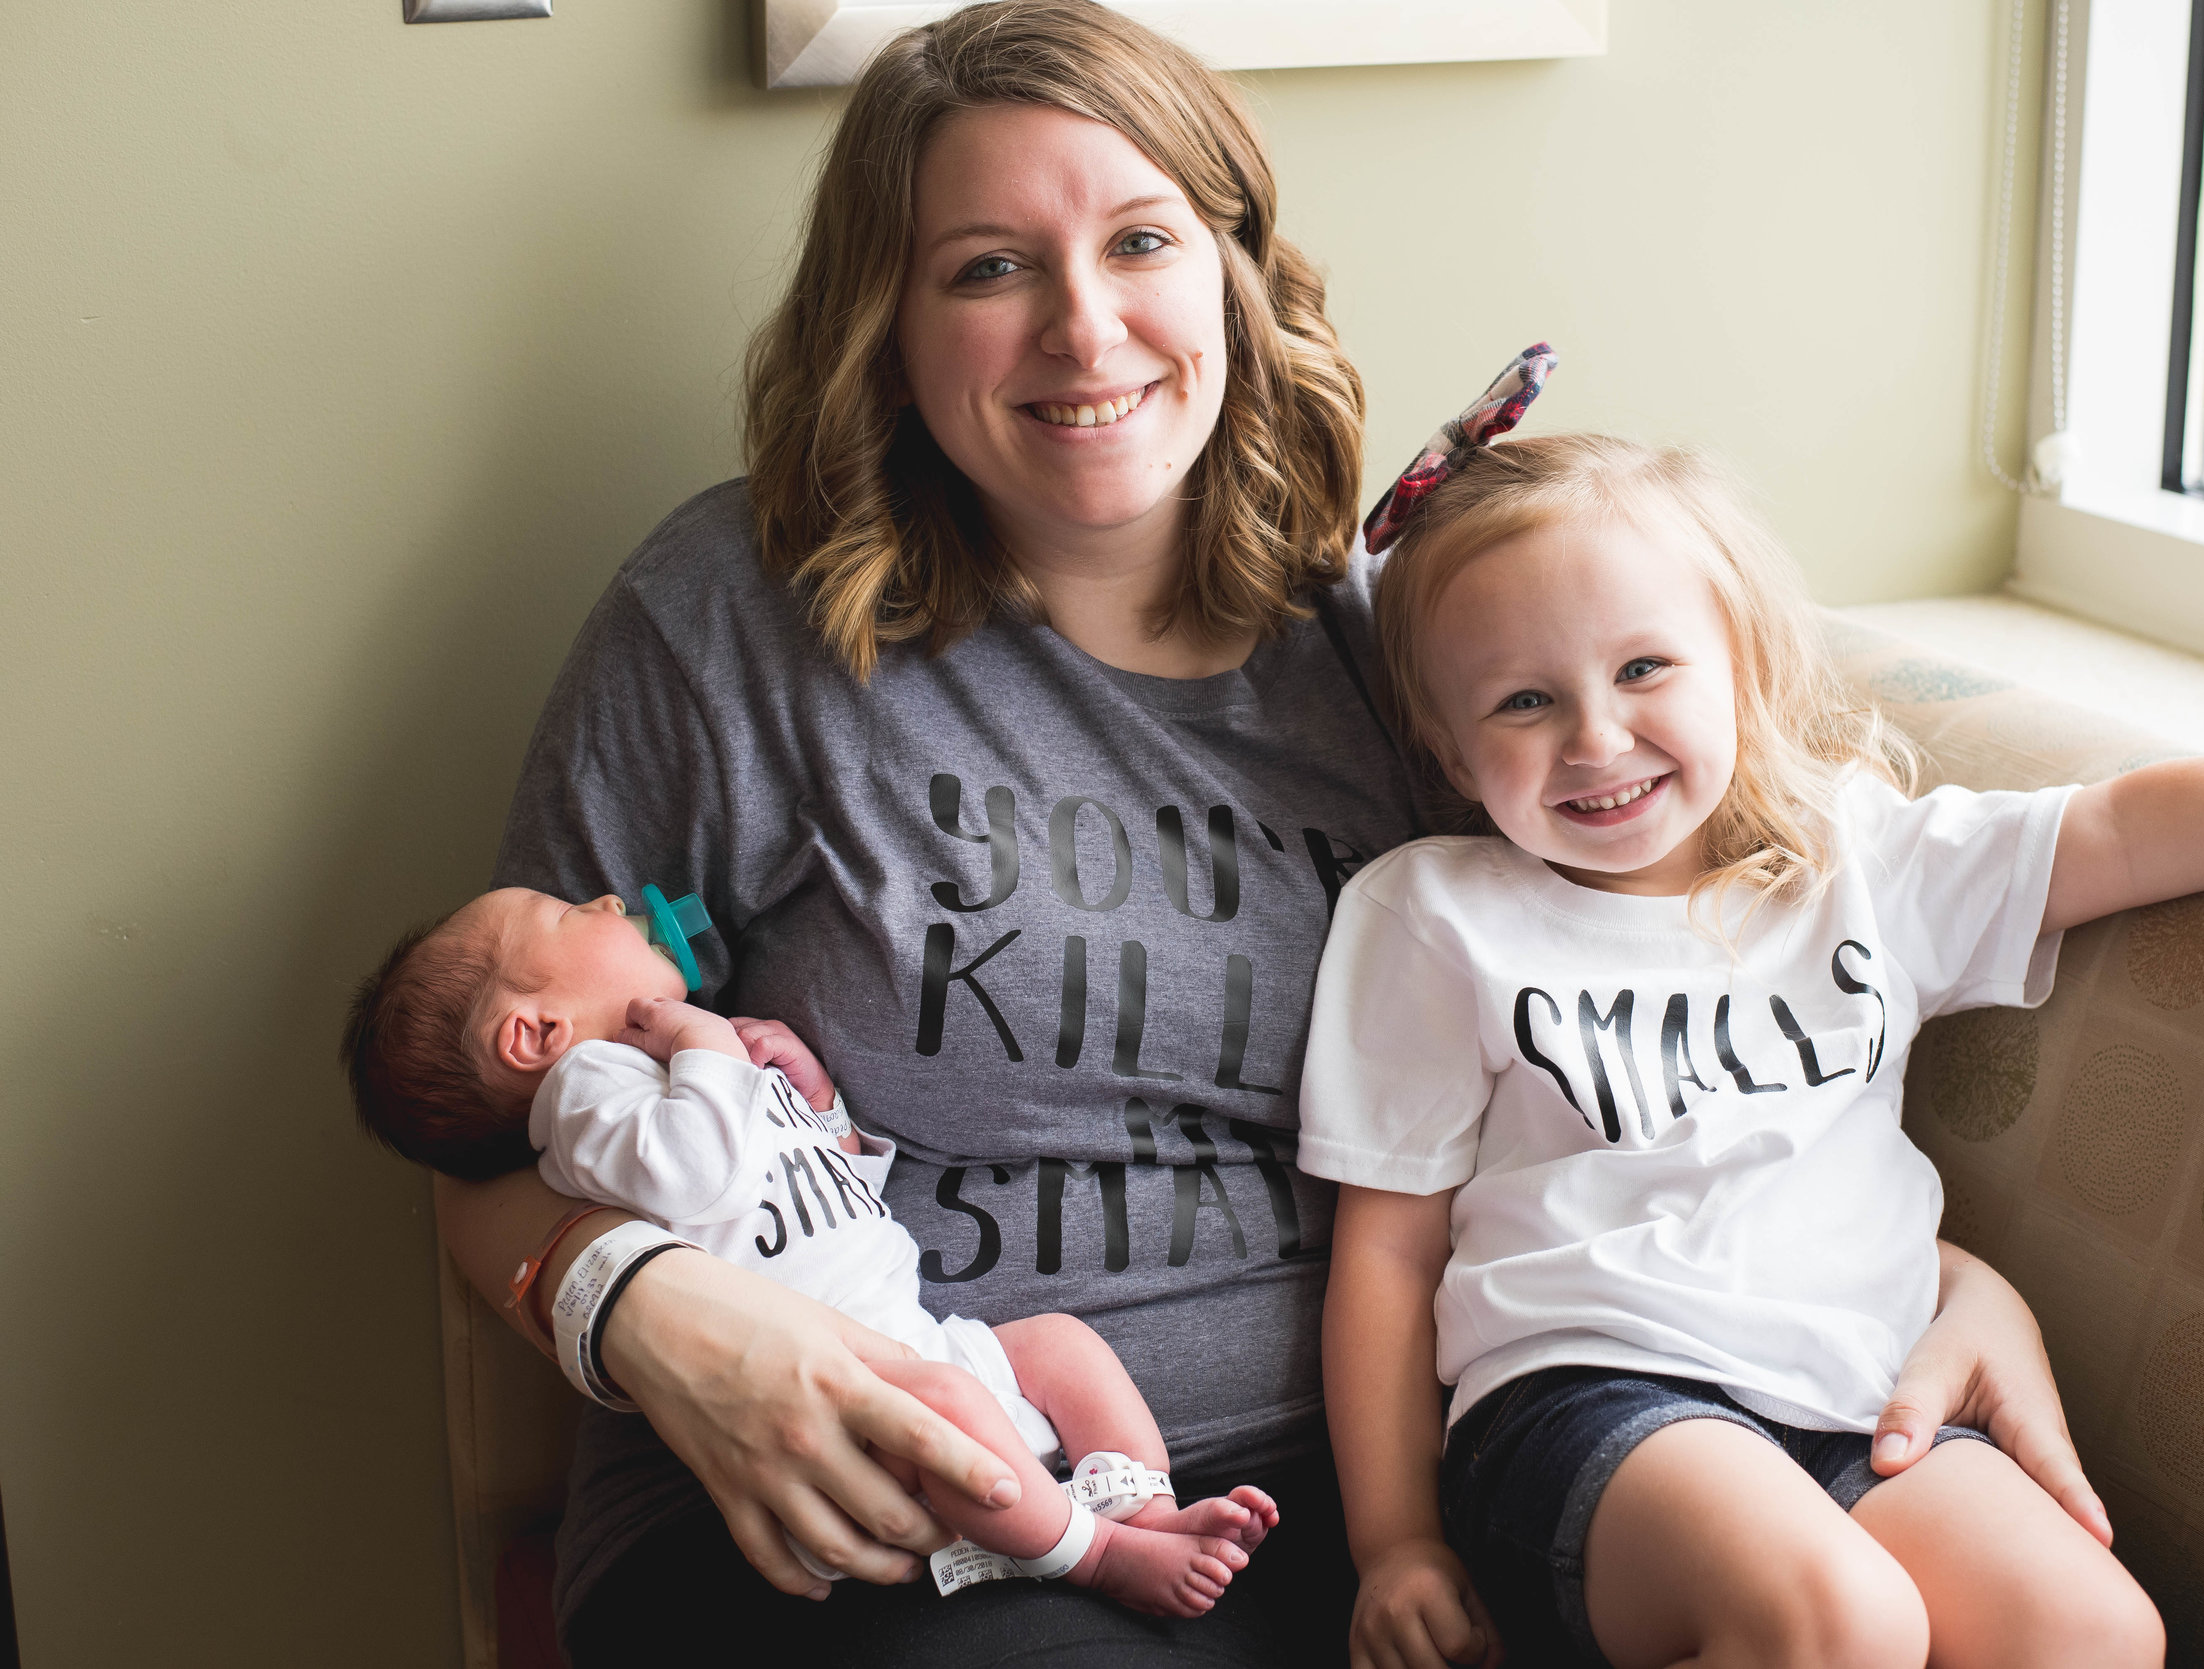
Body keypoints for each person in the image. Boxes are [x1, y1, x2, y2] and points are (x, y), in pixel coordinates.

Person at [425, 4, 2111, 1663]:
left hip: (1401, 1496)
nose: (1085, 333)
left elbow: (1666, 1031)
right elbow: (488, 1143)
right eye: (987, 266)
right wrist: (650, 1314)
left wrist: (1951, 1279)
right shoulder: (733, 625)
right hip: (913, 1493)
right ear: (889, 320)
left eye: (1140, 241)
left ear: (1233, 272)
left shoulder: (1418, 663)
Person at [1307, 431, 2204, 1668]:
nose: (1596, 738)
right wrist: (1394, 1543)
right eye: (1522, 700)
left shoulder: (1860, 860)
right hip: (1586, 1390)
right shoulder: (1434, 916)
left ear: (1742, 665)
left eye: (1645, 667)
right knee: (1841, 1620)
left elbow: (2129, 832)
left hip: (1860, 1383)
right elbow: (1389, 1254)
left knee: (2094, 1633)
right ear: (1449, 750)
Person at [342, 885, 1277, 1615]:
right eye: (562, 912)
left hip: (911, 1335)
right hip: (851, 1404)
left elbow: (820, 1192)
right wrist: (706, 1045)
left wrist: (812, 1100)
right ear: (533, 1033)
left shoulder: (654, 1084)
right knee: (951, 1405)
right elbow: (699, 1169)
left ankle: (1144, 1504)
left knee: (1062, 1343)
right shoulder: (586, 1097)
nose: (601, 900)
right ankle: (1097, 1553)